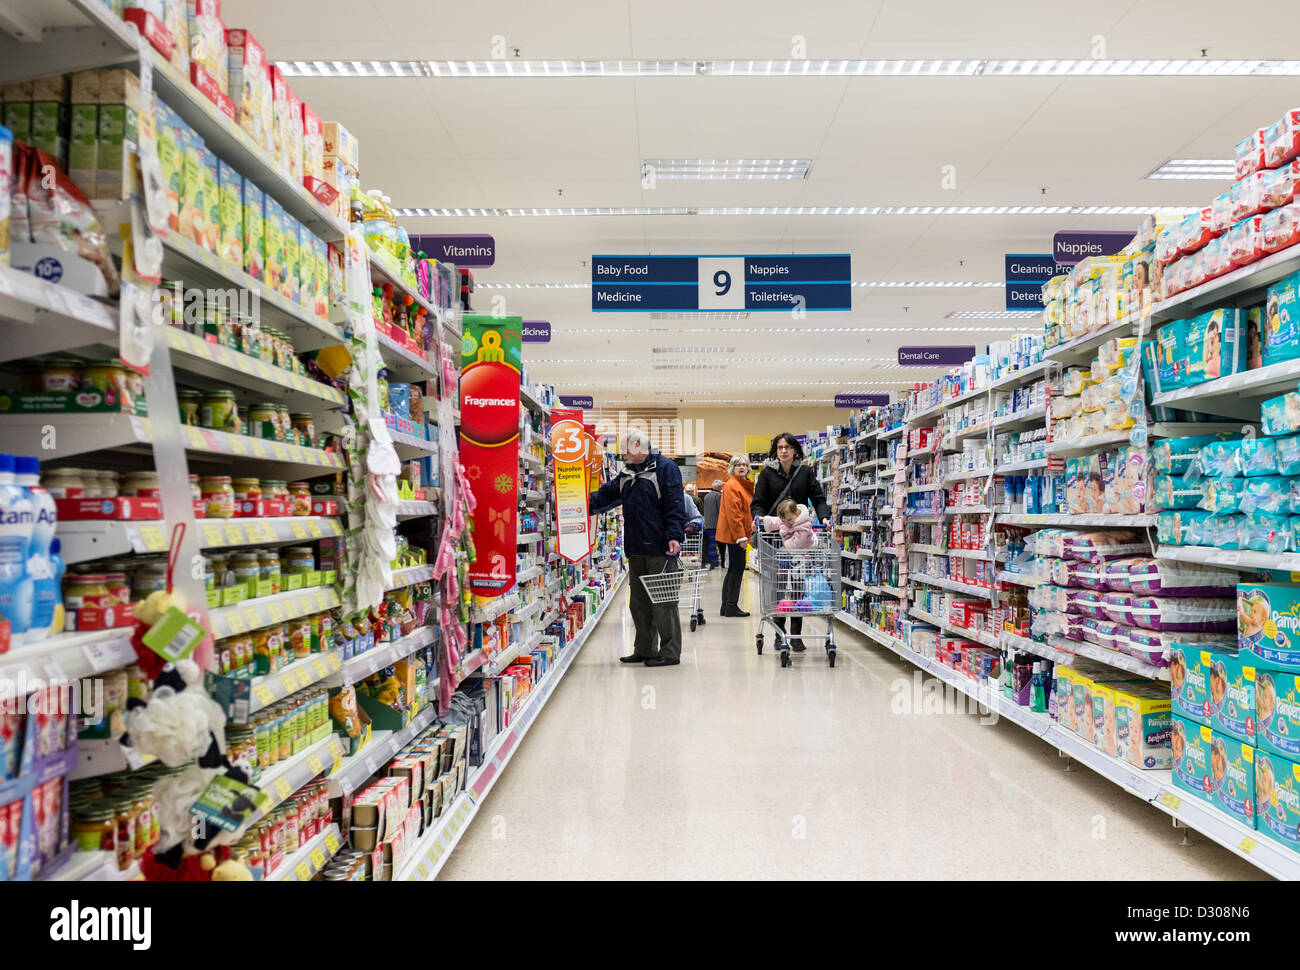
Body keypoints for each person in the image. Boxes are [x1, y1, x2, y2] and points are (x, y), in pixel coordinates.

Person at [589, 430, 687, 667]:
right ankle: (645, 649)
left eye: (625, 450)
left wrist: (674, 536)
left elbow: (675, 503)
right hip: (635, 547)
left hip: (660, 547)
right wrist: (577, 505)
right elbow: (606, 495)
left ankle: (670, 653)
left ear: (637, 446)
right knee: (639, 603)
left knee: (663, 602)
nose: (622, 455)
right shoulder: (626, 472)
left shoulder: (665, 468)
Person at [751, 432, 830, 651]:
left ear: (795, 450)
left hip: (799, 540)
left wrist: (824, 516)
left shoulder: (804, 472)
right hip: (775, 539)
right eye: (779, 447)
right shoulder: (767, 474)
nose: (783, 451)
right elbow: (757, 502)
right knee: (777, 586)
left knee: (797, 586)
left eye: (787, 447)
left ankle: (796, 635)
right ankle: (780, 632)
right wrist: (757, 519)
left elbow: (818, 497)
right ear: (775, 451)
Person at [715, 455, 755, 617]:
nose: (742, 467)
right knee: (737, 568)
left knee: (733, 568)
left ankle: (726, 605)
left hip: (736, 533)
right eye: (738, 464)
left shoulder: (741, 485)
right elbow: (734, 514)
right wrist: (741, 537)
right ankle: (731, 605)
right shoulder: (733, 485)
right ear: (732, 467)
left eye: (744, 465)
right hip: (735, 534)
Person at [699, 479, 723, 569]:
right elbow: (721, 511)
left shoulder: (706, 496)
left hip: (707, 524)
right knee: (714, 545)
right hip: (715, 525)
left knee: (708, 545)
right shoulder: (719, 496)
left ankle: (708, 561)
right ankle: (714, 563)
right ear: (720, 487)